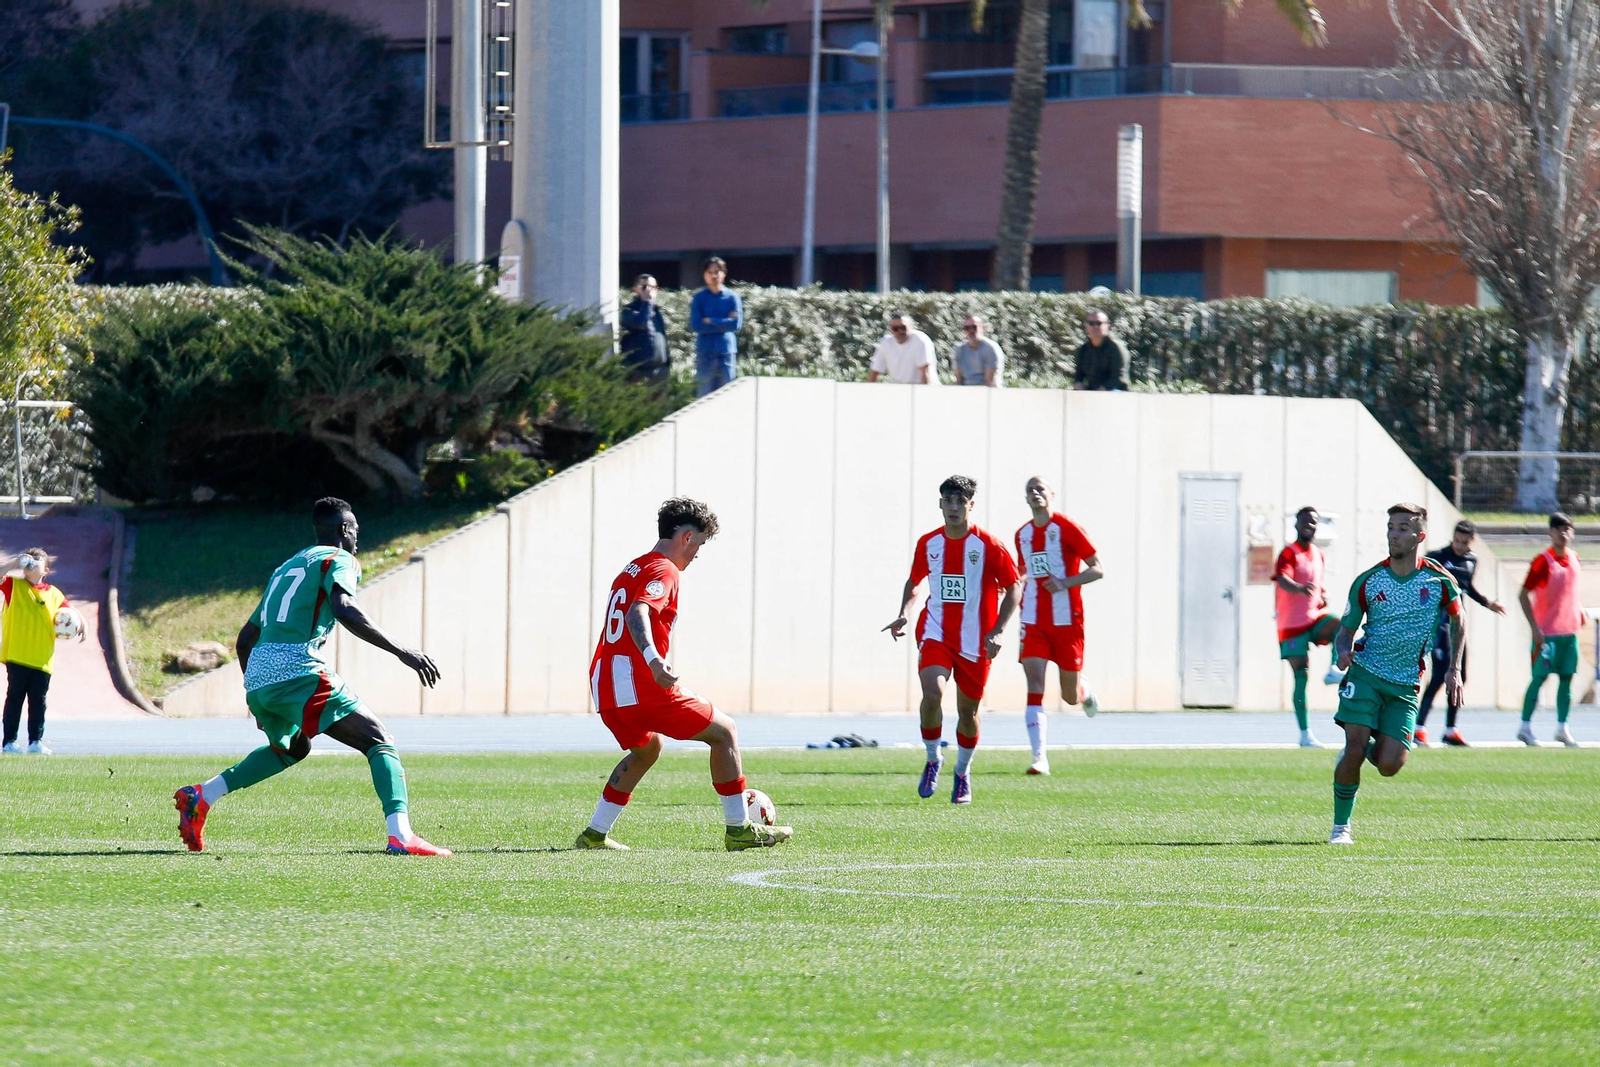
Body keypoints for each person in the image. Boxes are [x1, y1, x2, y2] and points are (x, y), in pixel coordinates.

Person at [173, 498, 451, 856]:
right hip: (296, 669)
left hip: (259, 675)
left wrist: (257, 695)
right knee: (378, 740)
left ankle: (203, 795)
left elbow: (245, 639)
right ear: (345, 530)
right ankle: (401, 835)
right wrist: (402, 651)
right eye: (356, 532)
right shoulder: (340, 559)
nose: (357, 540)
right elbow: (344, 608)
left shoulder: (285, 568)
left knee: (292, 748)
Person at [578, 496, 793, 851]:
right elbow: (637, 613)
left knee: (647, 749)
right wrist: (652, 658)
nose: (697, 554)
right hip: (639, 685)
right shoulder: (665, 570)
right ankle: (739, 829)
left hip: (606, 687)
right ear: (687, 537)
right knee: (724, 731)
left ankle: (594, 834)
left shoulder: (633, 567)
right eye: (701, 544)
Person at [1327, 503, 1463, 845]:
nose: (1394, 534)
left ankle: (1370, 744)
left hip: (1405, 685)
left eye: (1403, 528)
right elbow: (1345, 631)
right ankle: (1341, 828)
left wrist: (1454, 670)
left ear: (1420, 536)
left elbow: (1460, 620)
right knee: (1354, 748)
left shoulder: (1438, 581)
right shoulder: (1370, 581)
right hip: (1366, 675)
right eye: (1391, 527)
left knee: (1389, 765)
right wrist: (1343, 651)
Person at [884, 475, 1021, 804]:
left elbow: (1014, 586)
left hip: (977, 640)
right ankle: (933, 758)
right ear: (941, 504)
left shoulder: (988, 545)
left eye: (962, 502)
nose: (955, 507)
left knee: (967, 713)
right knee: (933, 693)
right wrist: (905, 611)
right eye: (950, 501)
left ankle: (962, 771)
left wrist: (999, 630)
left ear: (971, 505)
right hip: (937, 631)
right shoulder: (929, 543)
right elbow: (915, 580)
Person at [1013, 477, 1102, 776]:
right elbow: (1023, 572)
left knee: (1068, 695)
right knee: (1034, 684)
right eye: (1030, 490)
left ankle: (1083, 690)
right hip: (1033, 620)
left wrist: (1065, 582)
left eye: (1041, 489)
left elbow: (1097, 569)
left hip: (1067, 621)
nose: (1036, 493)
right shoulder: (1022, 535)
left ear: (1052, 494)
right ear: (1026, 498)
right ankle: (1040, 758)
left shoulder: (1067, 528)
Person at [1416, 519, 1505, 747]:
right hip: (1438, 624)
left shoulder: (1471, 560)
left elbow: (1467, 588)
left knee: (1459, 676)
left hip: (1457, 625)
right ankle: (1418, 728)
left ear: (1471, 542)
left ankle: (1450, 730)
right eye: (1456, 540)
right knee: (1439, 675)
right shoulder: (1436, 558)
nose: (1458, 545)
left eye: (1464, 542)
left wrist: (1487, 602)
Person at [1274, 507, 1343, 749]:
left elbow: (1317, 585)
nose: (1309, 526)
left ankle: (1334, 668)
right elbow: (1282, 578)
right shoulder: (1289, 553)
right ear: (1296, 525)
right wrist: (1298, 588)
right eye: (1304, 521)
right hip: (1291, 625)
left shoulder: (1318, 554)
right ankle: (1305, 734)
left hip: (1312, 618)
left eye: (1313, 522)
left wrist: (1322, 595)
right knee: (1301, 676)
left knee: (1340, 625)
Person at [1518, 512, 1585, 747]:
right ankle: (1524, 727)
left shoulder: (1575, 558)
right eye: (1558, 529)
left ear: (1572, 532)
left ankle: (1562, 728)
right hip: (1546, 633)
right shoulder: (1542, 561)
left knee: (1567, 678)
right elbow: (1523, 594)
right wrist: (1535, 627)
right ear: (1551, 532)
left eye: (1567, 529)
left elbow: (1570, 591)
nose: (1563, 534)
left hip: (1569, 632)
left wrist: (1579, 612)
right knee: (1539, 678)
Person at [1, 549, 75, 755]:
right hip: (18, 654)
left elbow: (69, 613)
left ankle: (35, 742)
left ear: (46, 570)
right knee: (15, 698)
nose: (31, 564)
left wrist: (82, 623)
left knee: (38, 701)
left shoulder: (54, 593)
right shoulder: (13, 585)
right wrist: (15, 561)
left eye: (37, 562)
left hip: (42, 657)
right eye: (29, 561)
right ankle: (9, 742)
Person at [689, 257, 743, 397]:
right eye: (710, 272)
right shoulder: (699, 298)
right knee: (704, 396)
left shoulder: (733, 298)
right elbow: (696, 325)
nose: (714, 275)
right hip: (705, 353)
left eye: (717, 272)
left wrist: (710, 320)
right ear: (704, 275)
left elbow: (735, 324)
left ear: (724, 274)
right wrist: (723, 323)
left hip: (726, 353)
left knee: (727, 396)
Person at [618, 273, 670, 384]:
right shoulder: (629, 311)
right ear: (635, 289)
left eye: (653, 287)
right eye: (645, 287)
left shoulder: (657, 312)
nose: (650, 291)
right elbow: (640, 323)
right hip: (640, 373)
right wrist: (647, 302)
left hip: (660, 372)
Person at [867, 313, 939, 385]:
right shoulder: (886, 342)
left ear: (911, 327)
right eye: (896, 329)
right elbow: (875, 370)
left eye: (903, 328)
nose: (900, 331)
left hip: (923, 388)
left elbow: (925, 372)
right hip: (899, 389)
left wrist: (924, 393)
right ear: (891, 330)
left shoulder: (920, 340)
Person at [1072, 309, 1131, 391]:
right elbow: (1078, 376)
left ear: (1108, 326)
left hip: (1115, 392)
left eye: (1099, 323)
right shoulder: (1083, 350)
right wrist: (1078, 384)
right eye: (1091, 323)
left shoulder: (1117, 349)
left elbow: (1119, 379)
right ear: (1087, 327)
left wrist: (1101, 390)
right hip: (1093, 391)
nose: (1095, 327)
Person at [953, 313, 1004, 387]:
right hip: (965, 392)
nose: (971, 331)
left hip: (987, 392)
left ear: (982, 328)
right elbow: (958, 380)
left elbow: (990, 381)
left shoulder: (991, 349)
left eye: (974, 327)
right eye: (967, 328)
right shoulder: (959, 350)